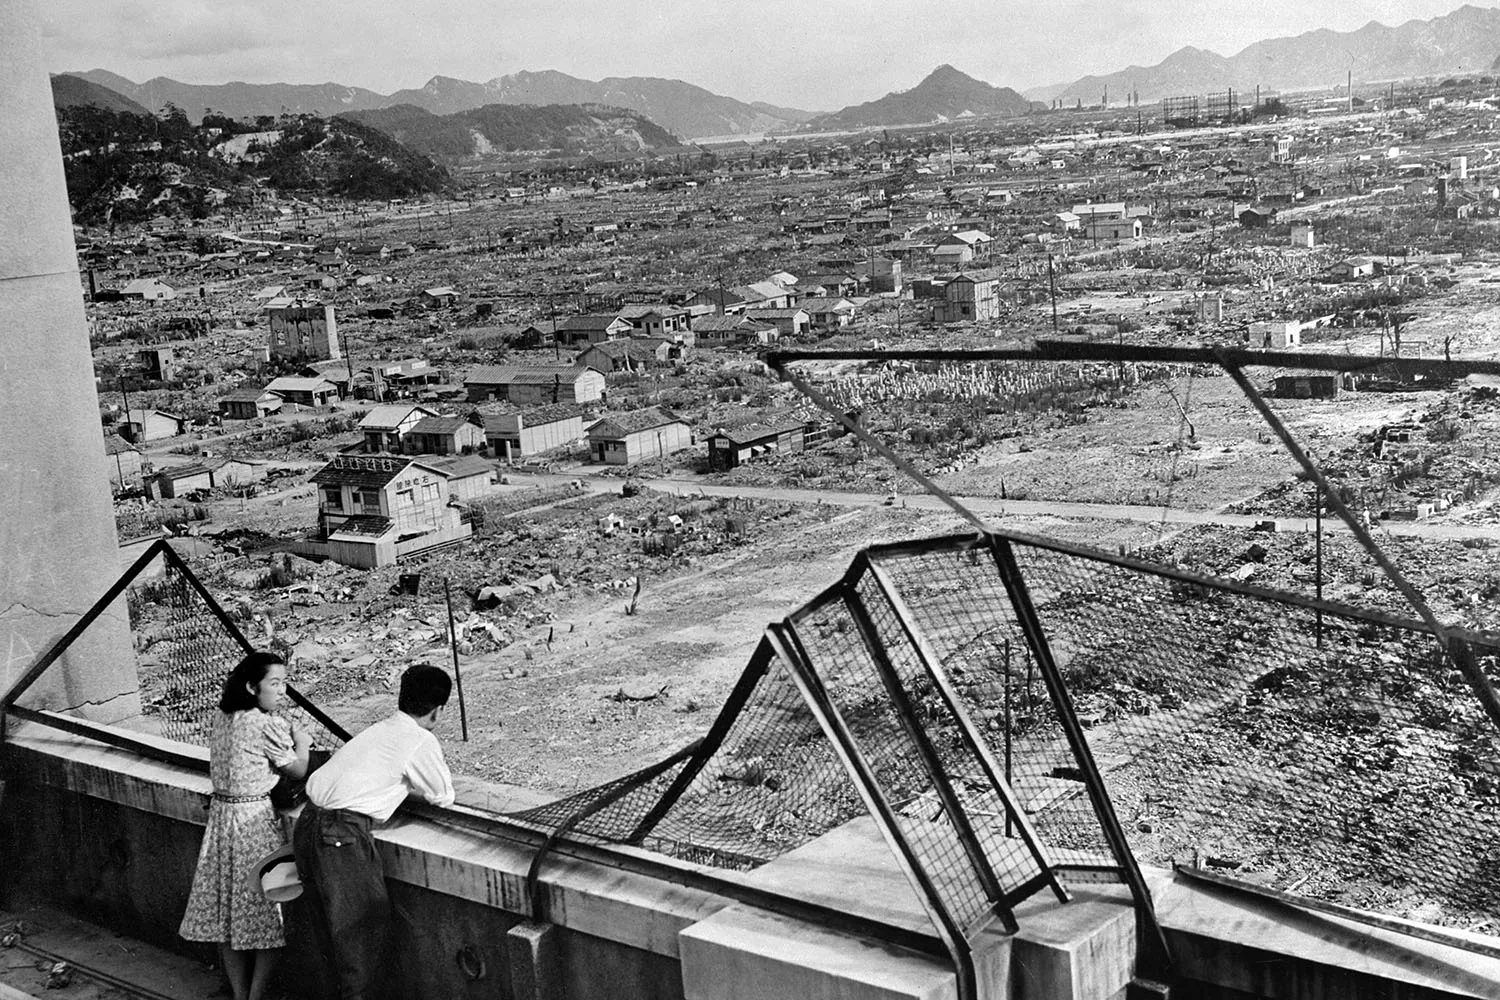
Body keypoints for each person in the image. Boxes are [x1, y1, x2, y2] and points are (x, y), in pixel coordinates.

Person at [292, 664, 455, 1000]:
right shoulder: (420, 739)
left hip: (308, 821)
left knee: (323, 936)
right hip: (340, 834)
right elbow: (443, 796)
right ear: (438, 710)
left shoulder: (378, 729)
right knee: (360, 934)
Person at [180, 651, 311, 1000]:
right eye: (275, 683)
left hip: (221, 819)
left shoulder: (222, 717)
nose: (282, 691)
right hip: (252, 823)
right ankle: (256, 996)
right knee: (267, 912)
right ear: (253, 687)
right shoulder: (265, 723)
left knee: (228, 915)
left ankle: (239, 994)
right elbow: (297, 770)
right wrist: (303, 745)